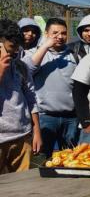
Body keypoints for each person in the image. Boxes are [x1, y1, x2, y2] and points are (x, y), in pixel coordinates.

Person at [23, 18, 78, 157]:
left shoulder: (74, 55)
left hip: (70, 117)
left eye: (63, 33)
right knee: (43, 158)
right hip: (45, 116)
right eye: (55, 33)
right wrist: (45, 46)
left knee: (72, 157)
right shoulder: (33, 53)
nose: (60, 37)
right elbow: (28, 69)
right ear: (46, 33)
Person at [0, 19, 41, 174]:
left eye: (18, 46)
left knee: (22, 186)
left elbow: (31, 99)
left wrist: (36, 131)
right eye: (11, 46)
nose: (16, 51)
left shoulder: (20, 66)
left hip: (22, 137)